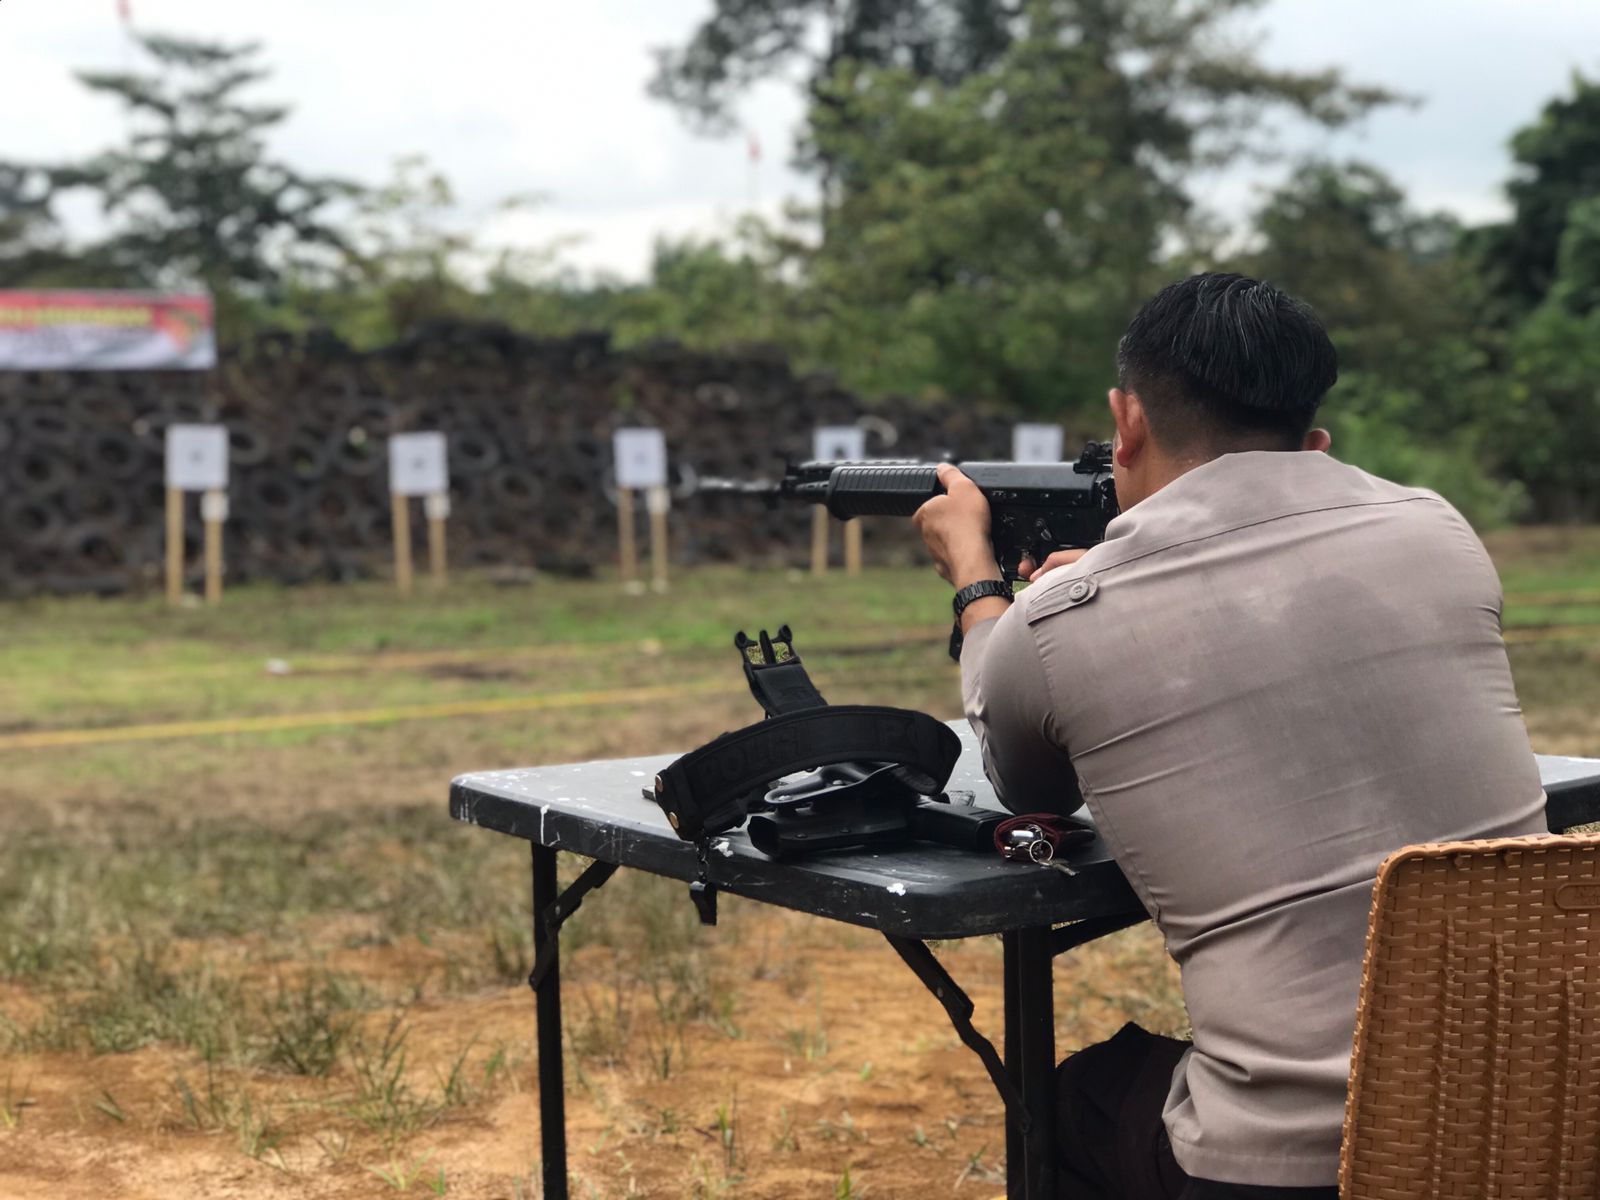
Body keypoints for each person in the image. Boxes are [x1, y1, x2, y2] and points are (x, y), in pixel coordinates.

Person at [912, 272, 1547, 1199]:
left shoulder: (1059, 619)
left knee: (1080, 1100)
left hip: (1299, 1162)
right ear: (1312, 431)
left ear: (1125, 423)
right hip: (1536, 1114)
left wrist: (982, 585)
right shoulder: (1439, 528)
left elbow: (1024, 786)